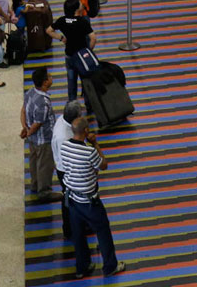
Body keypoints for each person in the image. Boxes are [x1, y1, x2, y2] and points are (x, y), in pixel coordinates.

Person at [61, 116, 126, 279]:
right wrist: (95, 143)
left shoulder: (64, 146)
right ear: (86, 131)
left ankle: (82, 267)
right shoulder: (89, 151)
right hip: (90, 201)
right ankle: (110, 266)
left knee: (78, 234)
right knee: (102, 230)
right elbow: (103, 165)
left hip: (72, 199)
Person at [20, 66, 64, 203]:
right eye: (49, 76)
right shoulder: (43, 102)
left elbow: (22, 111)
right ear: (45, 82)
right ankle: (44, 191)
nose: (51, 78)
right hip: (44, 139)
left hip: (33, 139)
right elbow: (38, 123)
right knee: (45, 164)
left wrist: (24, 128)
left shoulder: (30, 93)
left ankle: (35, 184)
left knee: (34, 161)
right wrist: (28, 131)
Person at [46, 0, 96, 102]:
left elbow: (49, 30)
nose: (82, 4)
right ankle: (88, 104)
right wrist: (89, 51)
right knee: (85, 80)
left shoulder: (62, 20)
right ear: (76, 9)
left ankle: (72, 102)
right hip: (82, 56)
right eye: (80, 4)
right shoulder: (82, 22)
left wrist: (61, 38)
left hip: (70, 55)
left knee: (71, 80)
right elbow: (93, 38)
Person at [52, 99, 84, 238]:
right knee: (68, 199)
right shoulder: (63, 137)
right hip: (66, 171)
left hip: (66, 168)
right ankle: (69, 229)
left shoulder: (62, 120)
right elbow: (67, 159)